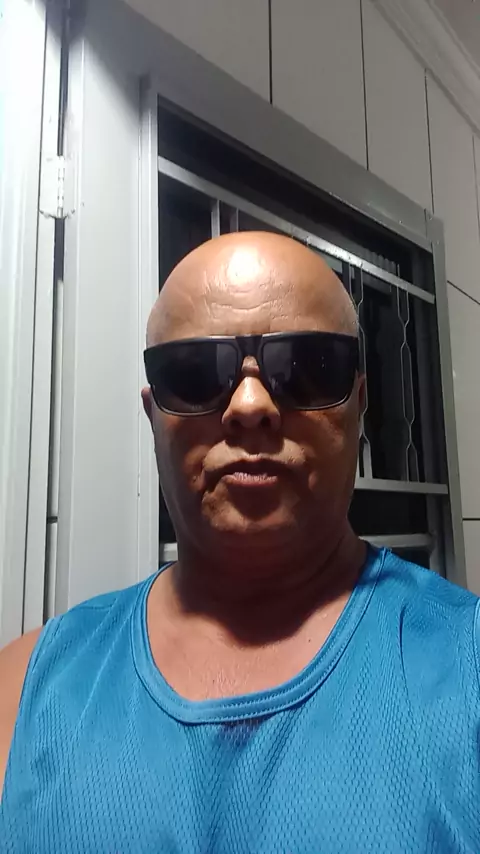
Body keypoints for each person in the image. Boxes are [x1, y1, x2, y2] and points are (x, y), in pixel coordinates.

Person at [0, 231, 479, 853]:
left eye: (307, 369)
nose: (250, 406)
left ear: (359, 404)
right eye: (196, 374)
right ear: (154, 416)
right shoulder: (22, 691)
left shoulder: (467, 669)